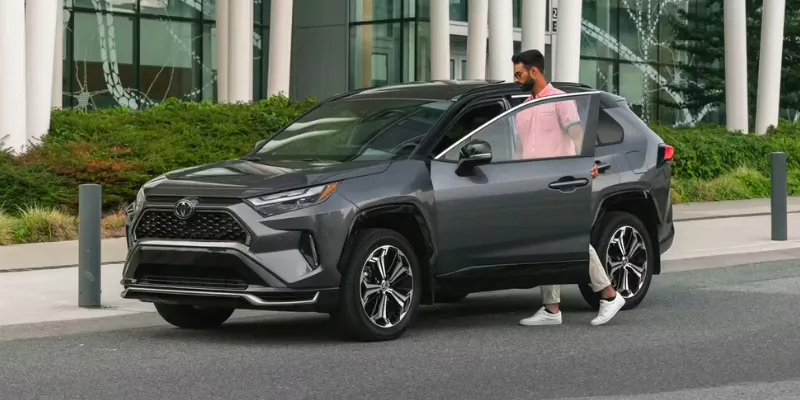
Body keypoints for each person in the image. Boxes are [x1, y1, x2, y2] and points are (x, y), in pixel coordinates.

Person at [509, 49, 626, 326]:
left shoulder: (561, 101)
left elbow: (576, 134)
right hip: (533, 185)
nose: (516, 79)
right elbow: (518, 149)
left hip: (560, 184)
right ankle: (551, 309)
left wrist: (585, 165)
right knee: (544, 245)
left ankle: (609, 296)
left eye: (519, 73)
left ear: (534, 71)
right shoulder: (523, 109)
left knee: (570, 241)